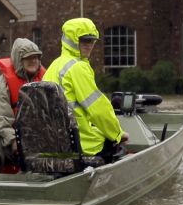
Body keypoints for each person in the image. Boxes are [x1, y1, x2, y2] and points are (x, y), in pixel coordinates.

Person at [45, 18, 128, 163]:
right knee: (116, 146)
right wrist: (118, 134)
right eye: (84, 41)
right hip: (80, 143)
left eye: (92, 41)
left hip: (52, 144)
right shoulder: (78, 67)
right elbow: (98, 110)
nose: (89, 46)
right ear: (71, 40)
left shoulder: (54, 65)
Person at [0, 37, 45, 172]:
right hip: (11, 143)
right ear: (19, 61)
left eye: (36, 57)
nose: (34, 61)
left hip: (39, 140)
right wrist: (13, 139)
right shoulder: (2, 85)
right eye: (28, 58)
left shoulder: (47, 80)